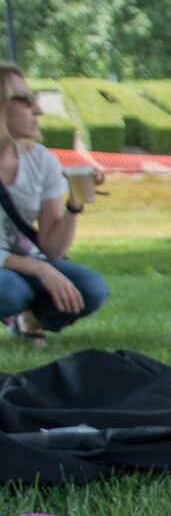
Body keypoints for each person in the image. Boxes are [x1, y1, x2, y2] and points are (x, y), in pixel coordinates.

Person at [0, 64, 108, 345]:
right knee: (8, 290)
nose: (38, 110)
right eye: (24, 100)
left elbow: (52, 249)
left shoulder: (42, 160)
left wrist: (74, 203)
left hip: (24, 262)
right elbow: (44, 263)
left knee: (90, 288)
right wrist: (39, 269)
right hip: (10, 273)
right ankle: (18, 307)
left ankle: (29, 321)